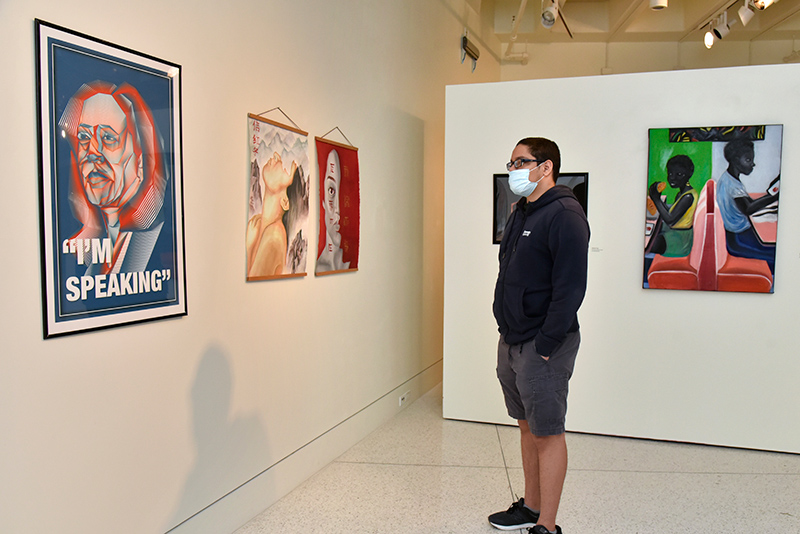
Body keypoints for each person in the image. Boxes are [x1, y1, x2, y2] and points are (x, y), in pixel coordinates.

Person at [489, 138, 590, 534]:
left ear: (546, 167)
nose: (513, 168)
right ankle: (530, 507)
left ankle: (547, 525)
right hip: (512, 339)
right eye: (511, 161)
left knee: (548, 432)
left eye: (521, 161)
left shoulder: (566, 214)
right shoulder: (522, 212)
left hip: (543, 344)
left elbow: (571, 288)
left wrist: (546, 345)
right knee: (527, 425)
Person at [58, 80, 167, 274]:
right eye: (84, 137)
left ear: (141, 160)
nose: (92, 152)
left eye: (108, 138)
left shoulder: (150, 237)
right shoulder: (87, 244)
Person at [715, 139, 778, 272]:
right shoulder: (732, 186)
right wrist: (773, 196)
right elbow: (748, 209)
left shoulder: (728, 179)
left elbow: (746, 202)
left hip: (738, 235)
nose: (753, 164)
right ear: (735, 160)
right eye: (748, 160)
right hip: (738, 240)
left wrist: (768, 198)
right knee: (776, 257)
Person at [246, 153, 295, 277]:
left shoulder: (274, 235)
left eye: (284, 168)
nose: (276, 156)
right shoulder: (256, 222)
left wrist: (249, 248)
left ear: (285, 202)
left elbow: (251, 286)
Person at [647, 154, 698, 257]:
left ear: (689, 174)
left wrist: (657, 199)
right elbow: (672, 214)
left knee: (647, 244)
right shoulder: (682, 192)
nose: (672, 178)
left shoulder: (688, 196)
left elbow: (670, 219)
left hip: (679, 241)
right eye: (670, 174)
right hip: (674, 232)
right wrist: (658, 200)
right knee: (649, 232)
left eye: (679, 174)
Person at [316, 149, 350, 272]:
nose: (338, 211)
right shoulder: (320, 267)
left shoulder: (350, 263)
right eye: (331, 191)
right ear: (322, 200)